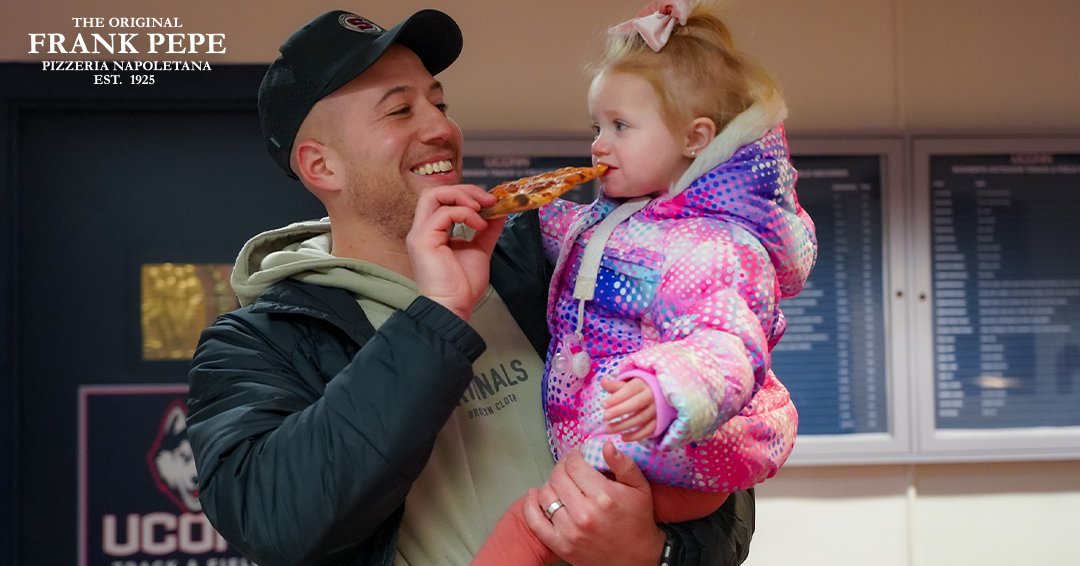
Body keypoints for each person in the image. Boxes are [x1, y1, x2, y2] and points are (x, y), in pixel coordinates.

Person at [185, 7, 756, 566]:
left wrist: (654, 553)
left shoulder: (554, 262)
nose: (441, 128)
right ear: (322, 167)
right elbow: (276, 523)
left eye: (438, 102)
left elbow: (711, 448)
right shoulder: (258, 341)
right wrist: (436, 313)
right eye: (399, 110)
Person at [473, 0, 816, 563]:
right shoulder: (628, 217)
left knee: (532, 527)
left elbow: (724, 344)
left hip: (671, 452)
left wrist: (666, 390)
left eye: (621, 127)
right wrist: (502, 213)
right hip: (625, 442)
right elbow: (580, 240)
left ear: (696, 137)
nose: (598, 145)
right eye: (597, 126)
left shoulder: (716, 246)